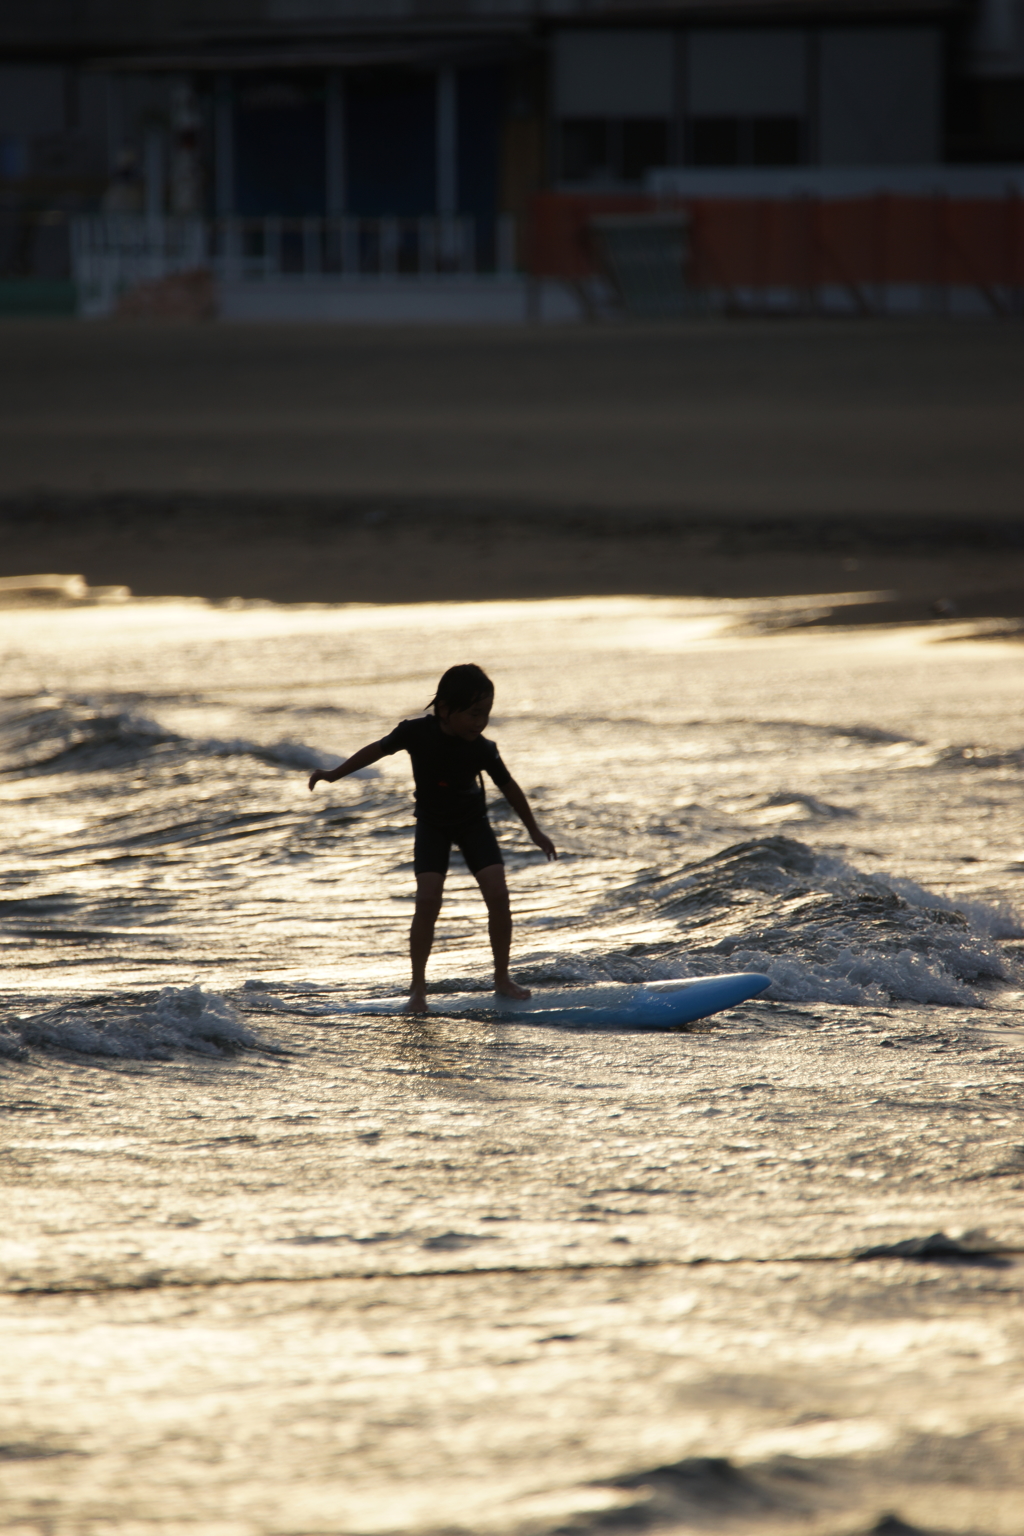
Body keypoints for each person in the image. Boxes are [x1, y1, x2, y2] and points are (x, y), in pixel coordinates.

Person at [308, 663, 556, 1013]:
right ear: (443, 709)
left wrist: (534, 830)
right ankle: (418, 989)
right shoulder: (415, 733)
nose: (480, 722)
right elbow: (376, 750)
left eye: (485, 713)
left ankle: (502, 978)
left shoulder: (483, 748)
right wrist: (334, 774)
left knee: (498, 894)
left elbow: (509, 788)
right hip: (432, 825)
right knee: (428, 901)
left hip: (472, 823)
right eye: (473, 714)